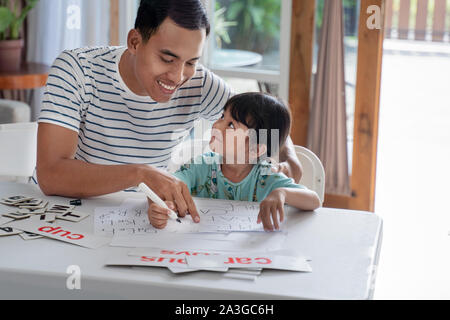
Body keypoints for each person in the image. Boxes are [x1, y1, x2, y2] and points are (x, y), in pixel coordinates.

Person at [36, 0, 302, 224]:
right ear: (134, 41)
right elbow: (51, 175)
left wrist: (289, 155)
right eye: (167, 59)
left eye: (191, 62)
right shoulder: (77, 70)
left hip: (145, 218)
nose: (177, 77)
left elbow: (262, 116)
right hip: (69, 214)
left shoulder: (199, 83)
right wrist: (140, 174)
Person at [148, 93, 321, 231]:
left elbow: (314, 200)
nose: (216, 125)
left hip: (247, 254)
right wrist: (163, 206)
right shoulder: (201, 166)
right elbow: (169, 187)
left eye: (230, 125)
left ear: (256, 149)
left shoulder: (267, 176)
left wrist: (283, 193)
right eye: (222, 116)